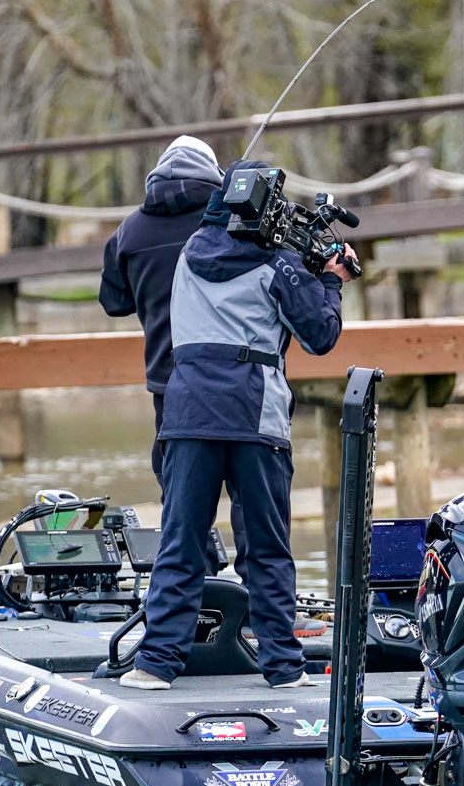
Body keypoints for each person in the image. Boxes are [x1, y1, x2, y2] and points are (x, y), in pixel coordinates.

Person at [121, 159, 356, 690]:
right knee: (268, 546)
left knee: (180, 542)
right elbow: (320, 335)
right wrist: (330, 280)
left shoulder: (188, 254)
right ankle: (283, 668)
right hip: (256, 418)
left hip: (188, 413)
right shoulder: (278, 265)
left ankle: (155, 665)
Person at [97, 135, 249, 569]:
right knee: (253, 503)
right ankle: (259, 596)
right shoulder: (234, 221)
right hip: (243, 383)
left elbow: (114, 302)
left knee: (182, 511)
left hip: (171, 386)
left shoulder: (130, 232)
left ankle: (193, 593)